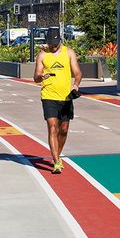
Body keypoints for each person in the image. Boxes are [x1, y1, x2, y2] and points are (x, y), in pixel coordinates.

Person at [34, 27, 81, 174]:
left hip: (66, 97)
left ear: (59, 41)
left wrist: (76, 85)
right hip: (49, 96)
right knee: (52, 127)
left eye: (55, 44)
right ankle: (56, 162)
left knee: (64, 129)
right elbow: (36, 78)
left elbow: (78, 73)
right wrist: (41, 77)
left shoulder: (69, 52)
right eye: (51, 44)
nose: (53, 47)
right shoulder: (42, 55)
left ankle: (57, 155)